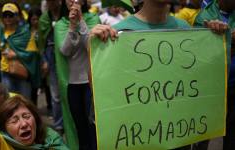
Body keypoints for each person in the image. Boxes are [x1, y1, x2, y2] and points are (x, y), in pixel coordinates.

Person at [90, 0, 228, 150]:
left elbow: (203, 84)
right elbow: (103, 95)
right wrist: (93, 48)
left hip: (179, 136)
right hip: (137, 139)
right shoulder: (118, 34)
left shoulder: (185, 29)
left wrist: (215, 36)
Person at [0, 54, 69, 150]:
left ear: (36, 119)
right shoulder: (3, 145)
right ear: (4, 130)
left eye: (26, 116)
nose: (24, 124)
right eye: (14, 121)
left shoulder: (51, 139)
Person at [55, 0, 100, 149]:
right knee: (80, 129)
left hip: (91, 84)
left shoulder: (93, 19)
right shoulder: (61, 24)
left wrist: (80, 21)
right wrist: (72, 27)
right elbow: (65, 51)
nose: (73, 1)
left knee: (94, 127)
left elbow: (91, 44)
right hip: (72, 85)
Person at [194, 1, 235, 150]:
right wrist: (227, 40)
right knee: (203, 134)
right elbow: (200, 54)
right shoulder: (204, 17)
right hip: (211, 89)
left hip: (232, 86)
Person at [0, 3, 41, 99]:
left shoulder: (25, 33)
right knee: (10, 102)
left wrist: (16, 55)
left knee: (25, 101)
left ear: (17, 16)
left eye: (10, 15)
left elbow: (33, 53)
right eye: (5, 15)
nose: (7, 18)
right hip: (5, 72)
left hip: (21, 72)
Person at [38, 0, 64, 133]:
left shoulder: (66, 14)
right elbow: (41, 43)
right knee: (55, 95)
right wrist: (44, 60)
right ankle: (59, 124)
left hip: (67, 55)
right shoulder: (44, 19)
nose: (51, 3)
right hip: (51, 56)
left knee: (69, 90)